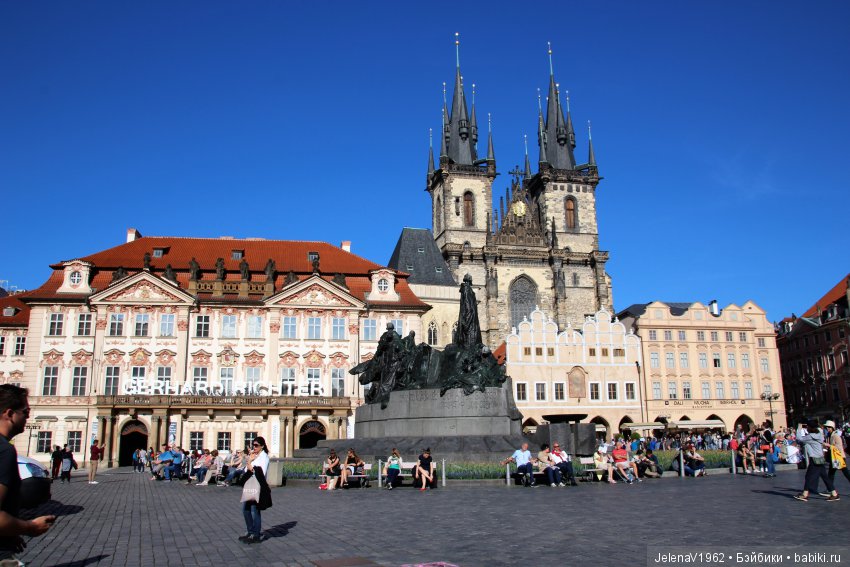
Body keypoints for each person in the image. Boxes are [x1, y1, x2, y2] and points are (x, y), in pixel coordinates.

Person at [0, 385, 55, 562]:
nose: (28, 416)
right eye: (25, 411)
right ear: (9, 414)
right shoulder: (5, 451)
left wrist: (10, 533)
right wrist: (29, 526)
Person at [794, 419, 839, 502]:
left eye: (807, 426)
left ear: (809, 427)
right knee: (825, 477)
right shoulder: (819, 434)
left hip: (814, 459)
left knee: (809, 477)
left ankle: (805, 494)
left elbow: (799, 438)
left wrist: (799, 428)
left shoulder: (810, 437)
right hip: (820, 458)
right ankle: (834, 494)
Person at [238, 436, 270, 544]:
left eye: (256, 445)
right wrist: (249, 461)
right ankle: (250, 531)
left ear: (262, 446)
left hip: (258, 486)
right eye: (253, 445)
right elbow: (247, 470)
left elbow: (262, 472)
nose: (254, 447)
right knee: (245, 510)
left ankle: (256, 535)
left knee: (255, 511)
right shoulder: (254, 456)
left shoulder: (264, 457)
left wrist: (251, 463)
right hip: (250, 485)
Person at [824, 420, 850, 490]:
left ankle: (830, 489)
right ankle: (830, 489)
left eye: (829, 427)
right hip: (835, 457)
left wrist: (829, 445)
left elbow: (839, 447)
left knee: (845, 472)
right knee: (832, 473)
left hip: (839, 457)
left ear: (832, 427)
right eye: (826, 427)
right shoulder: (830, 435)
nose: (827, 429)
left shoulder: (835, 435)